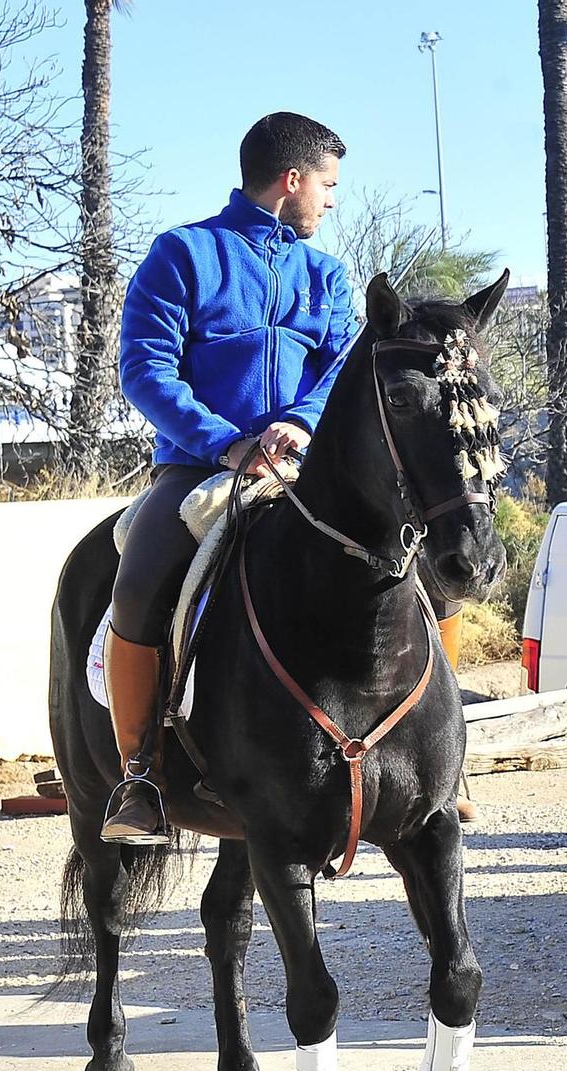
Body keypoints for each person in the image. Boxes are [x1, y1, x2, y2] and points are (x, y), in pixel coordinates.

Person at [102, 112, 358, 844]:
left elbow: (339, 368)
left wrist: (303, 422)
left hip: (303, 471)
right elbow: (144, 372)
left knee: (411, 554)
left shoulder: (327, 275)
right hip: (195, 469)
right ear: (293, 180)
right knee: (139, 583)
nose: (331, 203)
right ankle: (140, 772)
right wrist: (226, 445)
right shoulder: (181, 255)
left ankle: (435, 760)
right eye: (329, 187)